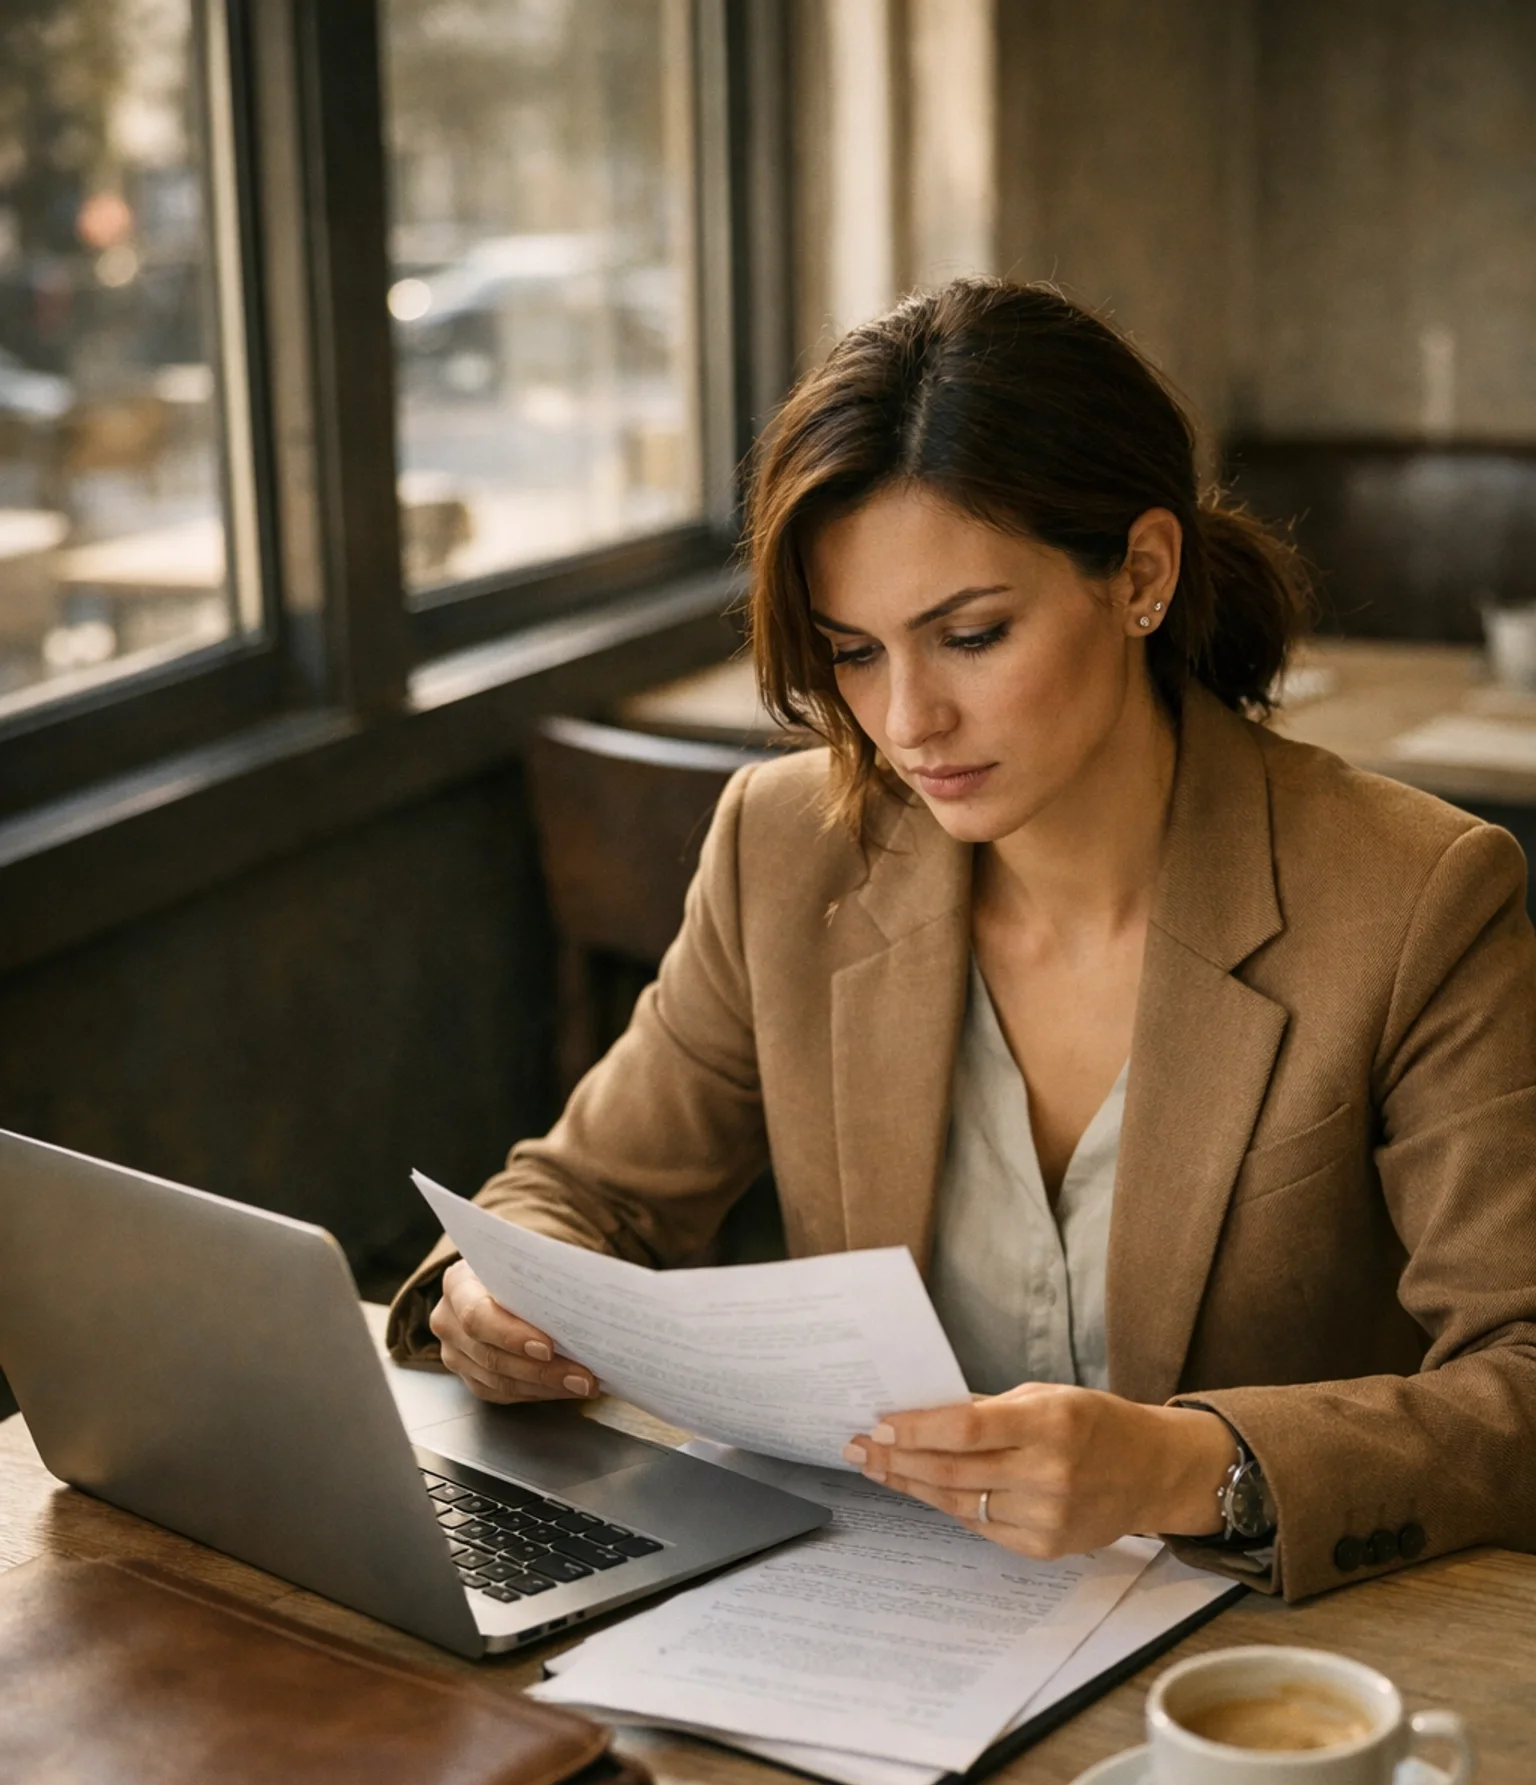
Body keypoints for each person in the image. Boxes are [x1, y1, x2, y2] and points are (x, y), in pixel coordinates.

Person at [390, 278, 1536, 1601]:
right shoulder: (787, 848)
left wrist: (1187, 1467)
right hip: (881, 1621)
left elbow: (1519, 1380)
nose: (907, 722)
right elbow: (579, 1196)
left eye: (972, 636)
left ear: (1143, 577)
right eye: (856, 653)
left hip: (1257, 1663)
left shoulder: (1414, 895)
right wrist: (489, 1295)